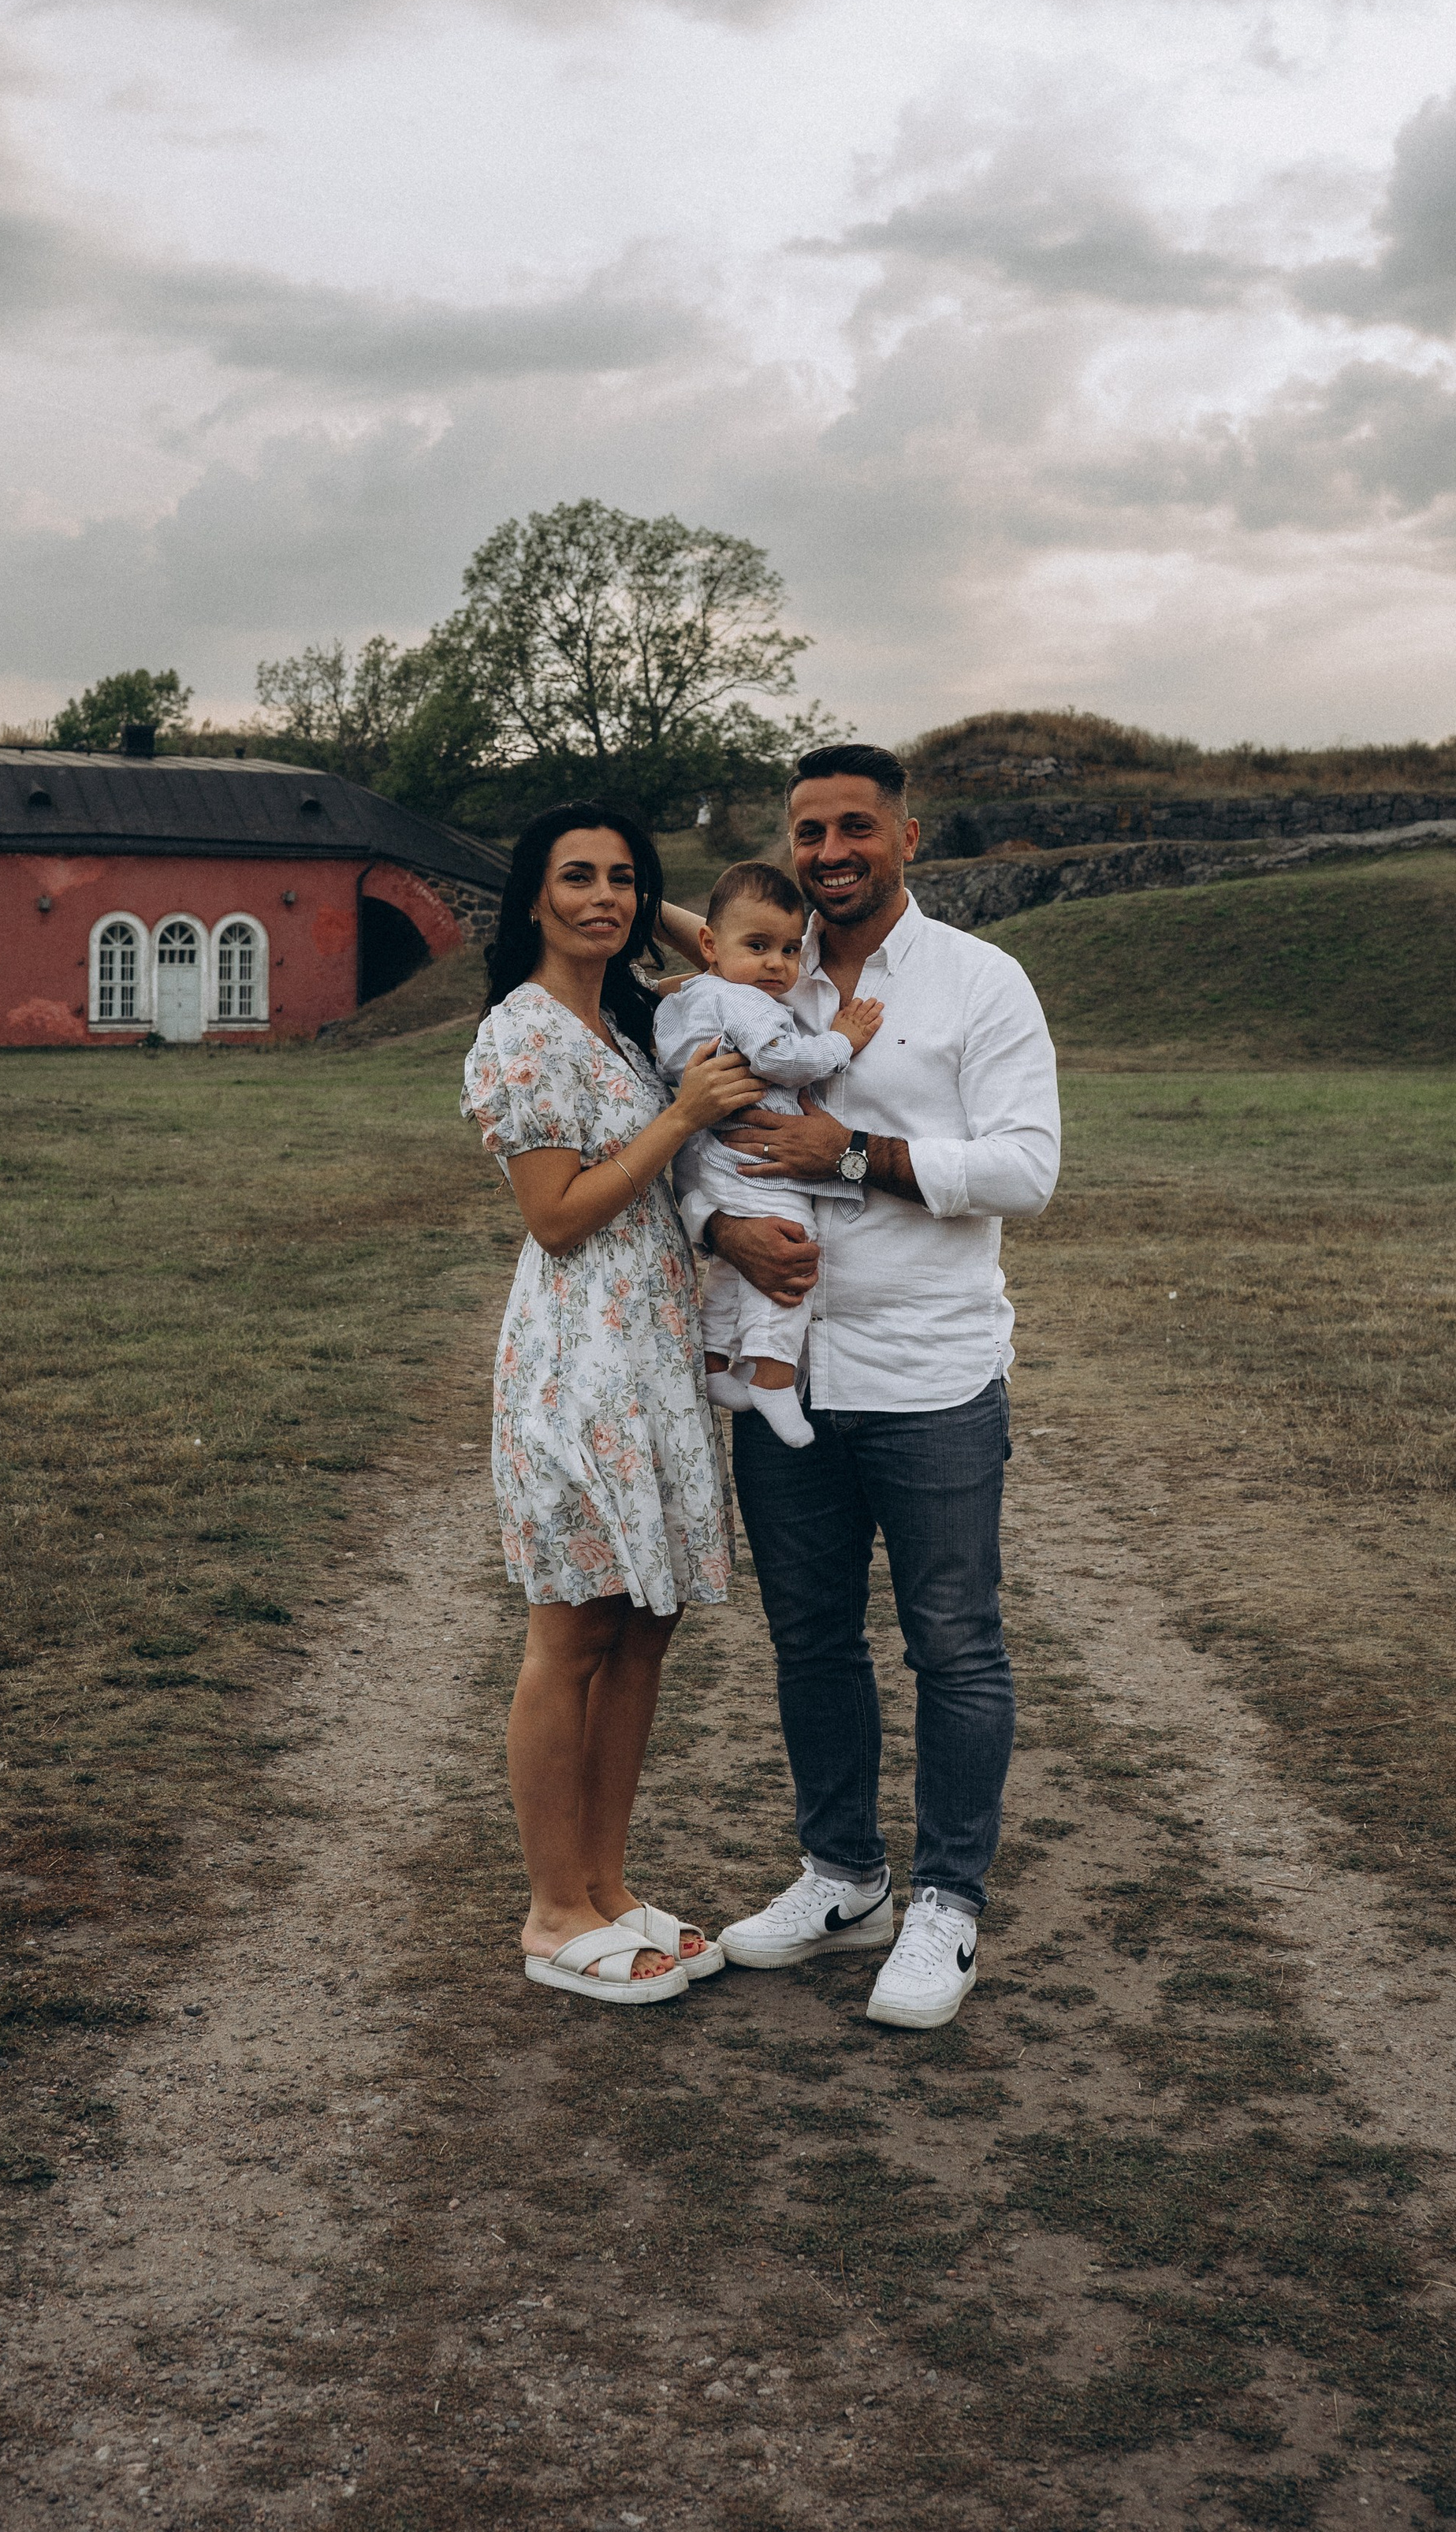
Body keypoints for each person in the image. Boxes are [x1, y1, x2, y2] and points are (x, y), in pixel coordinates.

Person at [677, 744, 1060, 2031]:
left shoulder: (978, 984)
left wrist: (854, 1158)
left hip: (929, 1374)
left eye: (856, 828)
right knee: (811, 1639)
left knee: (953, 1641)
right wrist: (715, 1228)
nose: (831, 851)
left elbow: (1025, 1169)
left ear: (909, 835)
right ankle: (845, 1875)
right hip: (784, 1378)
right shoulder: (740, 975)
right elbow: (683, 1135)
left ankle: (948, 1902)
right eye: (808, 831)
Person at [461, 802, 764, 2007]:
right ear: (529, 895)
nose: (602, 897)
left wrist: (656, 914)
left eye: (624, 880)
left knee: (647, 1628)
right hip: (577, 1362)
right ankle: (551, 1910)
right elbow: (560, 1215)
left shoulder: (629, 1020)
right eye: (574, 878)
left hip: (656, 1356)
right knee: (574, 1628)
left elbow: (730, 956)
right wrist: (679, 1120)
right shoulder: (520, 1035)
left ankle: (604, 1883)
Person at [651, 861, 884, 1450]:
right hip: (755, 1163)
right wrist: (841, 1042)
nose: (777, 964)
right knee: (791, 1244)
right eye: (758, 947)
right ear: (709, 945)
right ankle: (774, 1375)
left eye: (788, 949)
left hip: (713, 1159)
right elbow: (781, 1059)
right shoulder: (748, 1001)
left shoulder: (686, 997)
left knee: (737, 1266)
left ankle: (715, 1363)